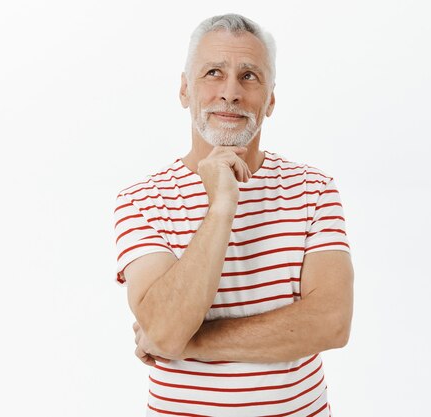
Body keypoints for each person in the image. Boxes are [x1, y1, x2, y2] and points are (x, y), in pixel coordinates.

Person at [113, 13, 354, 417]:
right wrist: (221, 205)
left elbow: (331, 322)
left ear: (271, 98)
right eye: (212, 73)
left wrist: (188, 342)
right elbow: (164, 328)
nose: (230, 93)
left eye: (249, 76)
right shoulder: (142, 200)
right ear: (185, 89)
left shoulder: (314, 189)